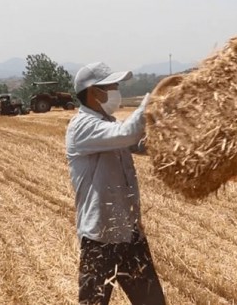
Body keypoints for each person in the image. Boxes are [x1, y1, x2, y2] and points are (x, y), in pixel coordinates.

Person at [65, 62, 165, 305]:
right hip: (100, 239)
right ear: (93, 92)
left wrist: (169, 143)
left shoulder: (107, 122)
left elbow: (137, 143)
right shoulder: (82, 127)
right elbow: (128, 134)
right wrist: (152, 100)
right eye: (111, 86)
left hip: (130, 233)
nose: (116, 90)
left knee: (151, 302)